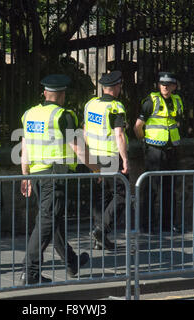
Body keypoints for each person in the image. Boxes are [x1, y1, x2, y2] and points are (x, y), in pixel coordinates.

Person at [19, 74, 100, 285]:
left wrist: (25, 174)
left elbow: (25, 146)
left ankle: (71, 261)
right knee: (46, 222)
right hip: (55, 176)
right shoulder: (63, 115)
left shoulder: (30, 114)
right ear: (62, 95)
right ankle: (30, 271)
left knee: (53, 220)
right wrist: (97, 169)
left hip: (37, 174)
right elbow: (77, 147)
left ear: (45, 93)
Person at [83, 70, 129, 251]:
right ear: (117, 87)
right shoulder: (116, 107)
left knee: (99, 198)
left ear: (103, 88)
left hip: (93, 157)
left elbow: (85, 130)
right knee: (121, 195)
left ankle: (99, 239)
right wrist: (125, 159)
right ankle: (101, 229)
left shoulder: (90, 104)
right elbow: (119, 135)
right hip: (110, 157)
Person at [134, 71, 183, 234]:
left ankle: (168, 224)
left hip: (171, 149)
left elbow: (177, 123)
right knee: (151, 188)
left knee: (170, 188)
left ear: (174, 86)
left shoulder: (177, 101)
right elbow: (137, 126)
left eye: (168, 85)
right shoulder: (151, 101)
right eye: (162, 84)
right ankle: (147, 225)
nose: (165, 87)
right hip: (154, 150)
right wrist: (144, 142)